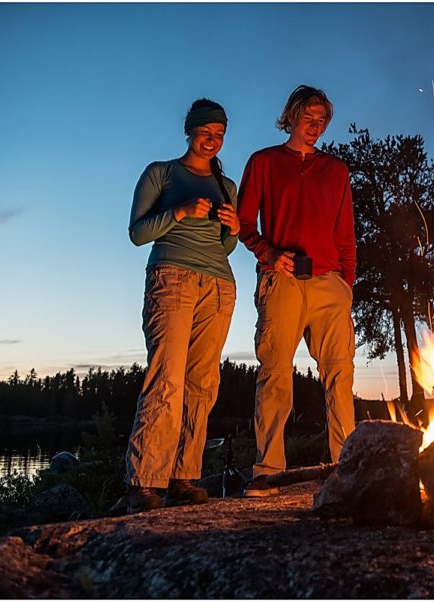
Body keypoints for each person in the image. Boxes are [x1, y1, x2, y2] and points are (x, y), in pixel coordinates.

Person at [236, 85, 356, 497]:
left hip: (329, 284)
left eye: (322, 120)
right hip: (282, 281)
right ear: (291, 116)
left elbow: (346, 235)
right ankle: (267, 470)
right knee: (275, 374)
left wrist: (346, 283)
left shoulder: (336, 171)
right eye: (309, 118)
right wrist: (269, 255)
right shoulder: (264, 162)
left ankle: (347, 467)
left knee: (340, 375)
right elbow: (243, 224)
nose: (315, 126)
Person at [125, 98, 240, 514]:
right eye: (206, 132)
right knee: (166, 379)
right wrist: (178, 210)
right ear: (189, 131)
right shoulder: (162, 173)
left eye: (220, 135)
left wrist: (235, 229)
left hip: (220, 284)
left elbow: (227, 245)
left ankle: (183, 477)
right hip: (171, 277)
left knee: (203, 385)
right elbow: (138, 233)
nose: (213, 141)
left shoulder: (227, 186)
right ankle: (143, 483)